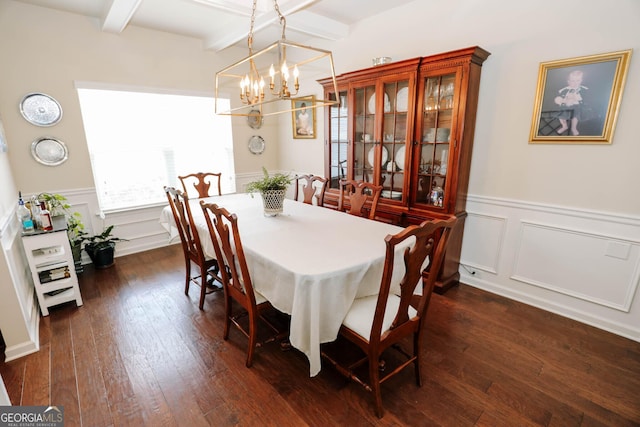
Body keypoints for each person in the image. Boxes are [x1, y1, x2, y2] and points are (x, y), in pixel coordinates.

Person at [554, 69, 588, 136]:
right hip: (565, 105)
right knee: (560, 114)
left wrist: (576, 97)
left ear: (581, 80)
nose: (575, 83)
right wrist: (561, 100)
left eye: (578, 80)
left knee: (575, 115)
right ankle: (564, 126)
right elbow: (559, 97)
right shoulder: (564, 90)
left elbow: (584, 99)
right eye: (573, 81)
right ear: (568, 82)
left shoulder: (583, 89)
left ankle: (573, 128)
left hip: (576, 106)